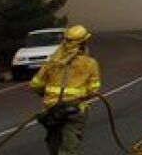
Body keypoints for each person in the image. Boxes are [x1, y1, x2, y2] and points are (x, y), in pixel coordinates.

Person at [30, 24, 101, 155]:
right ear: (83, 43)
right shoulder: (90, 63)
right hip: (75, 110)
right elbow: (93, 90)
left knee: (54, 143)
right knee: (69, 146)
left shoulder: (52, 62)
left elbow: (35, 84)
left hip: (52, 109)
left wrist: (49, 96)